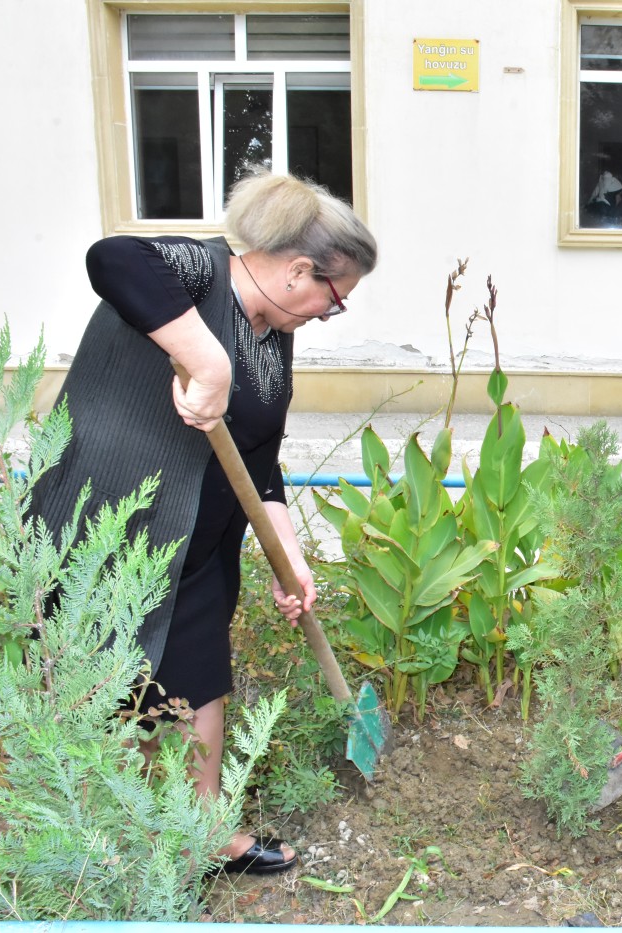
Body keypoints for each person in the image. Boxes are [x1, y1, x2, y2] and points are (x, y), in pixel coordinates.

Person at [31, 169, 377, 875]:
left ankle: (206, 832)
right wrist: (204, 356)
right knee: (104, 678)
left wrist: (288, 552)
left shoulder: (274, 336)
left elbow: (261, 457)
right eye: (332, 299)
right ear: (297, 271)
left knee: (198, 676)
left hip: (198, 537)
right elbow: (113, 259)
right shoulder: (199, 272)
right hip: (111, 528)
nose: (326, 313)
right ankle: (107, 841)